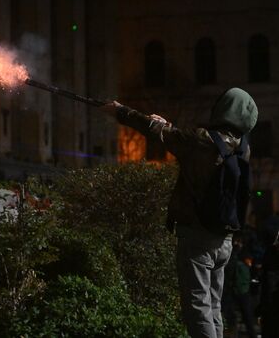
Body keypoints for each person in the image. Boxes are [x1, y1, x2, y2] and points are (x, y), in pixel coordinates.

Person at [101, 88, 258, 338]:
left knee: (197, 308)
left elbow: (166, 135)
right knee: (214, 306)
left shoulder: (201, 140)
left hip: (197, 237)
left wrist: (120, 111)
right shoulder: (242, 148)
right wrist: (169, 126)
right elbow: (186, 140)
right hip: (224, 239)